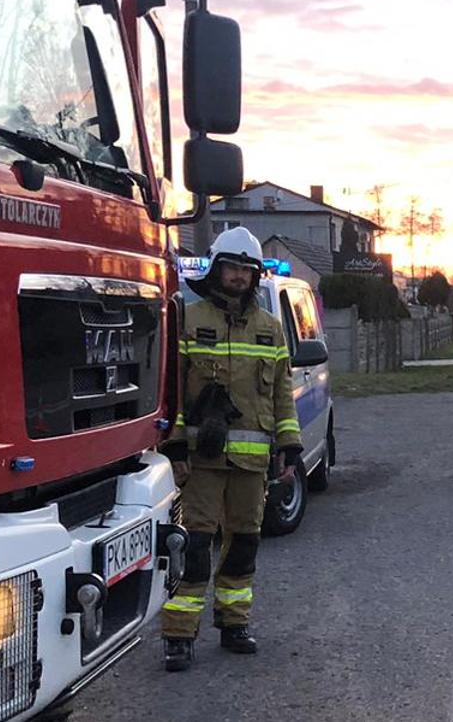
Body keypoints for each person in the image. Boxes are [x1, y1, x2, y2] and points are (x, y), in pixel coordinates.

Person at [160, 227, 302, 672]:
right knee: (196, 545)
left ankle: (233, 623)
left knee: (244, 544)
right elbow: (172, 388)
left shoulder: (271, 328)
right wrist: (175, 444)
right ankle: (179, 636)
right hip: (202, 458)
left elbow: (281, 392)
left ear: (254, 275)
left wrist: (290, 444)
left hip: (253, 461)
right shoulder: (188, 317)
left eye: (245, 269)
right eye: (231, 267)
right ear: (215, 269)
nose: (238, 276)